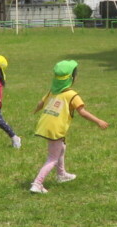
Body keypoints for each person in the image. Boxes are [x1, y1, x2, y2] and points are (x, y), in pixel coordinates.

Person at [30, 60, 108, 194]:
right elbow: (82, 112)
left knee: (61, 148)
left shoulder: (52, 91)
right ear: (72, 78)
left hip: (46, 125)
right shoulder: (72, 95)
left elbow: (41, 103)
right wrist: (98, 121)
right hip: (55, 129)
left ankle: (61, 174)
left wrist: (36, 110)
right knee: (52, 158)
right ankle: (37, 183)